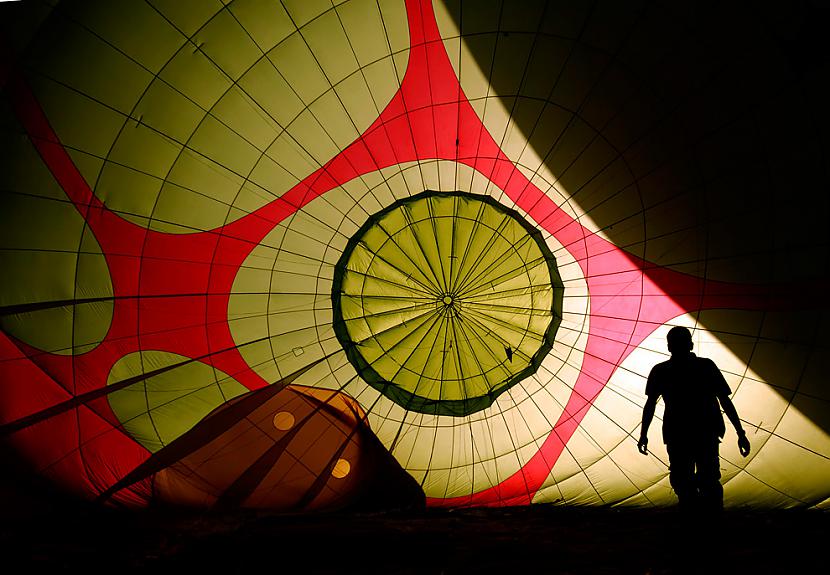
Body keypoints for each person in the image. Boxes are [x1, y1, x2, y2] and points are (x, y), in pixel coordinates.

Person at [637, 326, 751, 511]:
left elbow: (650, 404)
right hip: (705, 431)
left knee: (684, 481)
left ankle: (693, 522)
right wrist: (740, 432)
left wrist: (644, 434)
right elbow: (725, 401)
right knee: (707, 480)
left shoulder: (661, 371)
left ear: (669, 347)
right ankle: (709, 523)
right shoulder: (706, 366)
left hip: (678, 432)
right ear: (690, 344)